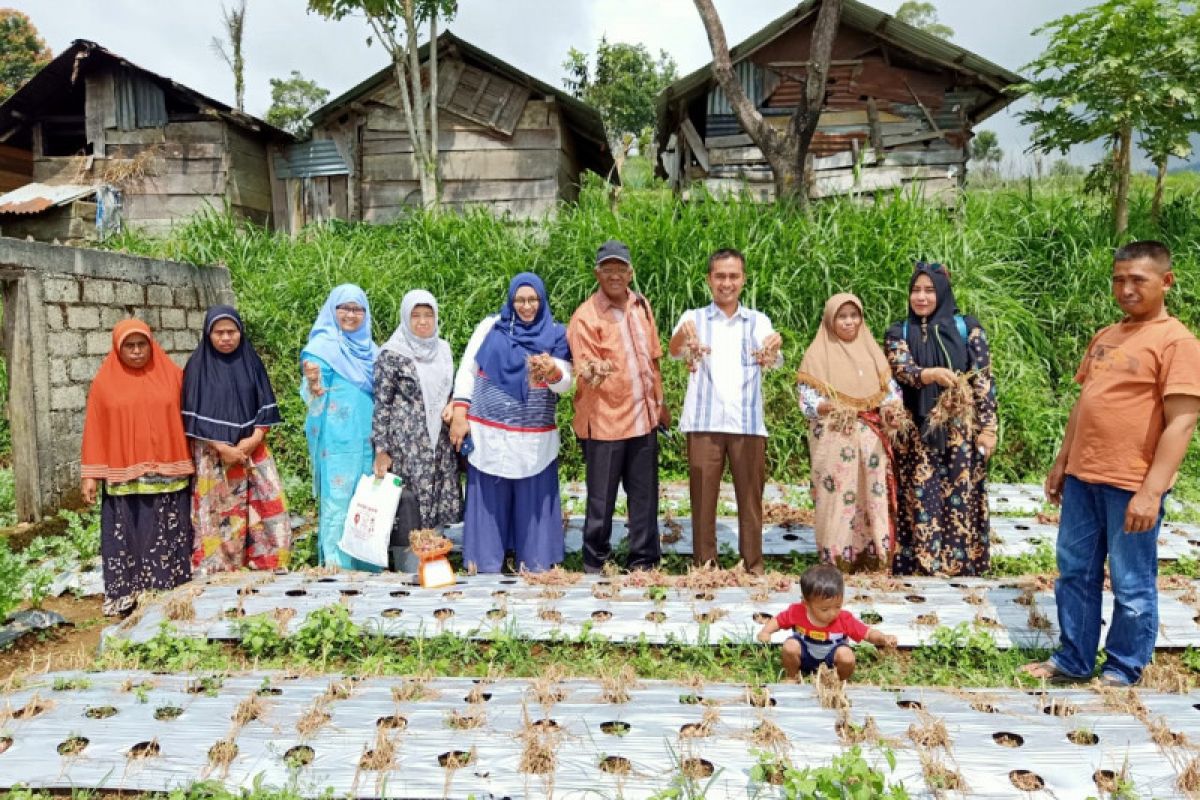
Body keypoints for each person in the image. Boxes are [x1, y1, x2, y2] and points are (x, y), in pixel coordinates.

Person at [1024, 241, 1200, 687]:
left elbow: (1181, 422)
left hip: (1130, 482)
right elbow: (1086, 402)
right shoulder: (1107, 335)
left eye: (1138, 280)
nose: (1126, 289)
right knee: (1075, 571)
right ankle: (1074, 659)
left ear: (1166, 281)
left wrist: (1151, 491)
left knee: (1131, 580)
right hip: (1085, 478)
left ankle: (1122, 667)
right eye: (1119, 279)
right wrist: (1063, 459)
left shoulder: (1177, 343)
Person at [668, 248, 781, 575]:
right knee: (703, 499)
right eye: (720, 276)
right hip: (705, 422)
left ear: (743, 280)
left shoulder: (758, 321)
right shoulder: (694, 318)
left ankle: (753, 565)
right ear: (709, 280)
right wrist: (683, 338)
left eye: (733, 276)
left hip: (747, 423)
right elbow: (675, 350)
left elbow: (771, 357)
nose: (726, 283)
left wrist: (772, 348)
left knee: (750, 500)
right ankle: (705, 565)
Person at [449, 273, 572, 573]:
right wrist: (459, 415)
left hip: (534, 439)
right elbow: (467, 369)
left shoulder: (557, 334)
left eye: (533, 300)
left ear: (542, 301)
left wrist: (551, 370)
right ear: (511, 300)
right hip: (488, 433)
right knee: (489, 503)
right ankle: (485, 566)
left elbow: (565, 383)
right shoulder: (490, 327)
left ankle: (536, 566)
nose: (526, 306)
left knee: (534, 505)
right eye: (520, 299)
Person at [884, 262, 997, 576]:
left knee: (960, 496)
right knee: (921, 496)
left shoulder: (967, 328)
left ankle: (961, 564)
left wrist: (988, 428)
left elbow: (983, 380)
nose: (921, 297)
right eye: (916, 290)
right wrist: (928, 374)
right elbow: (901, 368)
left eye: (929, 290)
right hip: (917, 431)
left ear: (943, 293)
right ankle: (921, 564)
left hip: (960, 431)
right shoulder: (899, 331)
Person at [567, 239, 668, 573]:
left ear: (630, 272)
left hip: (644, 419)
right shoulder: (585, 317)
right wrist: (595, 370)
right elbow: (585, 368)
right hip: (605, 421)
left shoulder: (641, 306)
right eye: (607, 269)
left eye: (620, 268)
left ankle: (644, 561)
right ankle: (596, 564)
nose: (614, 275)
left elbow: (653, 359)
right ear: (597, 273)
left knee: (645, 496)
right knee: (601, 500)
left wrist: (661, 404)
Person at [81, 319, 194, 616]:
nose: (135, 351)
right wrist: (91, 475)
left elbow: (191, 416)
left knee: (168, 531)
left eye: (141, 344)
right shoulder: (104, 384)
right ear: (118, 348)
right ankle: (129, 594)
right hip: (124, 476)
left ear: (151, 344)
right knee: (129, 532)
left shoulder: (173, 376)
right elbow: (95, 428)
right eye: (129, 346)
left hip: (169, 474)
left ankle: (170, 590)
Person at [797, 294, 905, 572]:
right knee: (836, 497)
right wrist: (827, 407)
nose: (848, 322)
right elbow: (807, 399)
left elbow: (889, 394)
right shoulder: (817, 354)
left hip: (870, 444)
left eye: (853, 316)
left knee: (871, 494)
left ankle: (873, 556)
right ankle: (836, 559)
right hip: (835, 441)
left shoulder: (872, 352)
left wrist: (892, 412)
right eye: (841, 316)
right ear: (830, 320)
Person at [184, 306, 290, 575]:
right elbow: (192, 418)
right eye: (219, 332)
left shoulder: (251, 362)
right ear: (208, 334)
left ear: (241, 333)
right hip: (214, 458)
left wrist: (252, 440)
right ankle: (220, 576)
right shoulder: (197, 368)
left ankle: (266, 570)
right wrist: (222, 448)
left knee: (269, 510)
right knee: (218, 517)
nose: (226, 338)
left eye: (232, 332)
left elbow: (265, 407)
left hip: (252, 453)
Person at [372, 290, 463, 572]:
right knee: (411, 505)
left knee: (436, 503)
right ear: (405, 318)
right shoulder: (392, 355)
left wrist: (451, 405)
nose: (423, 322)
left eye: (428, 315)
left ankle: (434, 563)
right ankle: (409, 565)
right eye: (416, 315)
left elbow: (451, 390)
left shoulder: (443, 350)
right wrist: (381, 450)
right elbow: (382, 405)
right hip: (406, 446)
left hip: (438, 442)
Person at [301, 284, 380, 571]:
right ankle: (337, 568)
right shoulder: (321, 348)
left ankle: (367, 566)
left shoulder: (374, 353)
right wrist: (314, 384)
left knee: (367, 502)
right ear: (332, 310)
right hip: (336, 443)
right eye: (344, 308)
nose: (350, 314)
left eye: (357, 308)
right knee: (338, 501)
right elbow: (312, 393)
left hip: (368, 440)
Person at [756, 564, 897, 680]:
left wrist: (883, 638)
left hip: (832, 657)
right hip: (805, 654)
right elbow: (778, 621)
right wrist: (766, 631)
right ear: (806, 604)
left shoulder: (844, 619)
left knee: (846, 656)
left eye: (838, 606)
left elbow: (868, 633)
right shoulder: (797, 612)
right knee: (790, 645)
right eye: (824, 609)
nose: (832, 613)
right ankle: (792, 677)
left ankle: (839, 681)